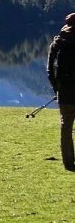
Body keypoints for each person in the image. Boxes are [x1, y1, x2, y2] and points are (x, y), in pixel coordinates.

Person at [47, 13, 75, 171]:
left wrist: (56, 88)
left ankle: (69, 162)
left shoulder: (57, 43)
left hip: (64, 91)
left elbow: (50, 69)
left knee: (66, 127)